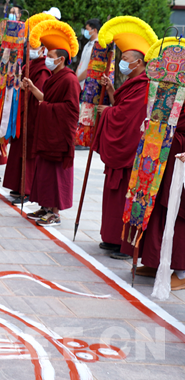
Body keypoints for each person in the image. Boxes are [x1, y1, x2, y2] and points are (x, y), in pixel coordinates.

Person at [91, 17, 155, 259]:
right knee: (112, 199)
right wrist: (110, 90)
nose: (122, 63)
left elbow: (128, 117)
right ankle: (111, 238)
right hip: (121, 156)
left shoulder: (145, 86)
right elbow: (121, 105)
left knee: (126, 199)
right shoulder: (132, 83)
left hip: (131, 155)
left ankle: (124, 245)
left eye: (125, 59)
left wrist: (108, 112)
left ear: (138, 62)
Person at [125, 38, 185, 289]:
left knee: (176, 212)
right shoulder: (163, 89)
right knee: (153, 207)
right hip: (159, 156)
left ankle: (181, 271)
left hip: (178, 159)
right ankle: (154, 261)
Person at [22, 20, 80, 226]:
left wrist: (46, 108)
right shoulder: (54, 77)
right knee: (44, 172)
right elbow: (46, 99)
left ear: (61, 59)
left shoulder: (70, 79)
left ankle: (55, 213)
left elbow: (71, 109)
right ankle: (45, 207)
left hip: (59, 136)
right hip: (48, 133)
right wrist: (32, 88)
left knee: (55, 175)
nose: (47, 59)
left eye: (50, 56)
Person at [2, 15, 54, 203]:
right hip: (23, 112)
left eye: (34, 47)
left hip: (33, 115)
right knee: (18, 149)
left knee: (28, 152)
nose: (30, 50)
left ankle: (27, 188)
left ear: (43, 49)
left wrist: (28, 89)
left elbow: (40, 93)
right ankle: (17, 186)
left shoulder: (43, 69)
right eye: (29, 46)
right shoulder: (31, 64)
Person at [76, 18, 101, 90]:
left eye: (87, 29)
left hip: (87, 85)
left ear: (94, 30)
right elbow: (81, 63)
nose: (85, 31)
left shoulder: (98, 46)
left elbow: (91, 68)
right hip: (79, 83)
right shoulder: (87, 44)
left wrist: (77, 79)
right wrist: (75, 78)